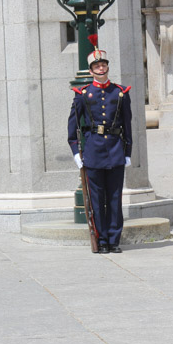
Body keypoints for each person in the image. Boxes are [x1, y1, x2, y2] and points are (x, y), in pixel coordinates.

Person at [67, 45, 133, 254]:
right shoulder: (83, 94)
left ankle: (114, 240)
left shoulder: (120, 93)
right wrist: (76, 152)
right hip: (93, 151)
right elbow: (73, 126)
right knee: (97, 199)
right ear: (91, 70)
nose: (101, 68)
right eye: (97, 65)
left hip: (115, 150)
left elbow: (128, 124)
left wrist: (128, 151)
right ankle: (101, 239)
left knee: (114, 198)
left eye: (103, 64)